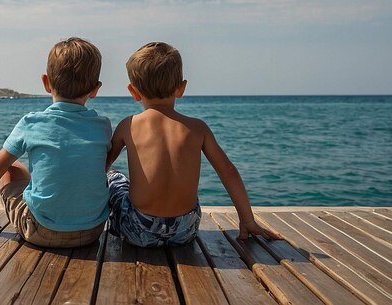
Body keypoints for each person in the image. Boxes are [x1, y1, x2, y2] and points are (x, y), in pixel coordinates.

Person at [106, 42, 282, 247]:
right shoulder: (198, 128)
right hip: (184, 230)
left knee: (113, 178)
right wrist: (247, 220)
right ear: (181, 88)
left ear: (133, 91)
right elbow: (228, 171)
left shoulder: (128, 125)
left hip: (139, 231)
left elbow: (103, 164)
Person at [0, 37, 111, 248]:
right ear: (96, 89)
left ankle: (16, 213)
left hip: (41, 231)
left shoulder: (31, 122)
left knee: (9, 168)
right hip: (93, 230)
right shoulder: (102, 125)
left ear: (46, 82)